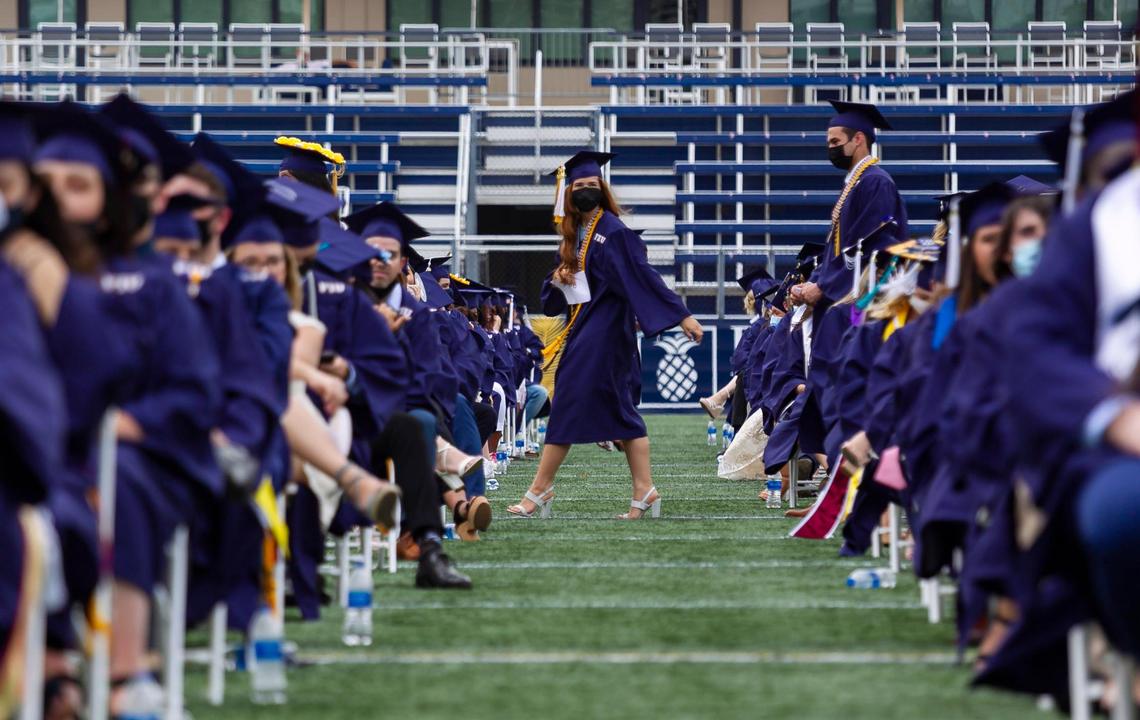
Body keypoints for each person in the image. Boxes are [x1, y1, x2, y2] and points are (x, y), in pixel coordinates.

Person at [509, 150, 702, 520]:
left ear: (602, 189)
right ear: (569, 193)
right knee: (620, 411)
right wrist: (558, 279)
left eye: (591, 185)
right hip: (584, 328)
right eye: (578, 185)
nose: (585, 190)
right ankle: (644, 491)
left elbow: (643, 277)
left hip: (607, 332)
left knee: (568, 401)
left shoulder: (612, 232)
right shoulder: (575, 235)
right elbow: (555, 296)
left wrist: (681, 315)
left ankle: (539, 490)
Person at [789, 101, 908, 311]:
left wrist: (824, 287)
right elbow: (836, 248)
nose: (831, 148)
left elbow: (867, 248)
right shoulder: (855, 183)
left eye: (836, 141)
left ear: (858, 139)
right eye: (828, 143)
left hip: (857, 302)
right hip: (840, 295)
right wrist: (814, 282)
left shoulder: (875, 183)